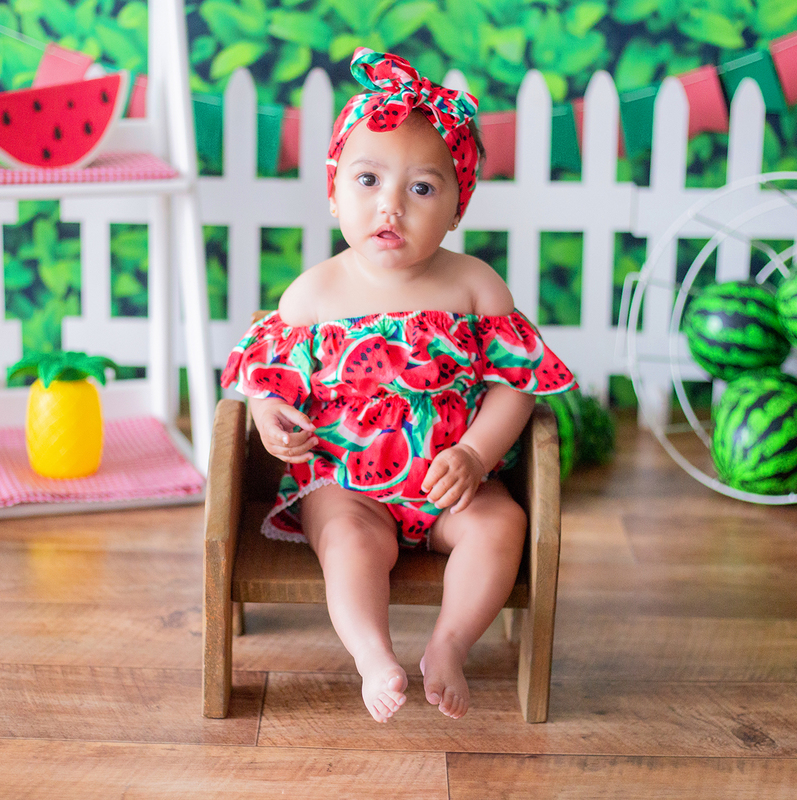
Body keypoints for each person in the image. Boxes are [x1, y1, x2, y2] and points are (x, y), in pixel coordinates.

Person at [221, 48, 575, 723]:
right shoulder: (314, 293)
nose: (390, 205)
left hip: (453, 485)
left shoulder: (475, 285)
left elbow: (520, 384)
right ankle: (372, 655)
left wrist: (474, 454)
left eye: (421, 188)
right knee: (348, 543)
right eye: (367, 179)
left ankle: (449, 644)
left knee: (503, 524)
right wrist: (270, 417)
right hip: (348, 486)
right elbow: (262, 379)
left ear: (456, 206)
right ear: (332, 193)